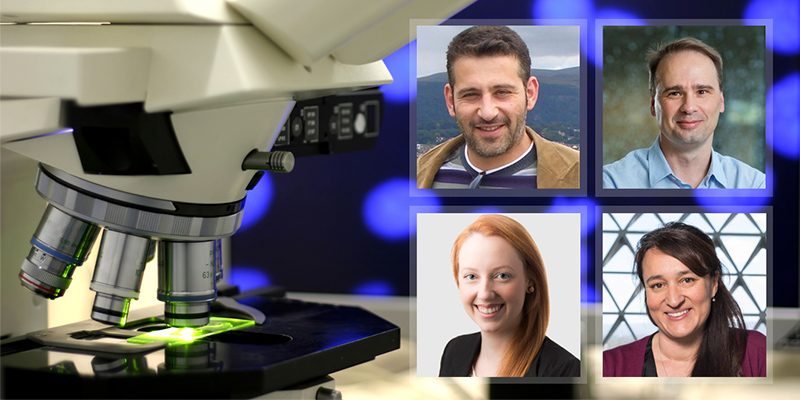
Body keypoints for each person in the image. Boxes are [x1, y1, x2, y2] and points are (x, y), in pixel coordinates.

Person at [417, 26, 580, 189]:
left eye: (502, 92)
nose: (487, 112)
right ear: (450, 100)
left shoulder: (581, 176)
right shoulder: (418, 174)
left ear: (530, 93)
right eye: (471, 94)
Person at [603, 222, 766, 377]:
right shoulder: (608, 367)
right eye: (658, 285)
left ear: (714, 283)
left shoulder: (757, 351)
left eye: (687, 280)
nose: (674, 301)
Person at [602, 37, 765, 189]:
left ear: (721, 101)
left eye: (702, 92)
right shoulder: (611, 182)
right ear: (653, 104)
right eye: (674, 93)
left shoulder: (754, 184)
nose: (689, 107)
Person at [439, 214, 579, 377]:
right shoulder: (454, 350)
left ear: (530, 281)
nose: (485, 293)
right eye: (471, 276)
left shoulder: (565, 370)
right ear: (458, 281)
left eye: (502, 276)